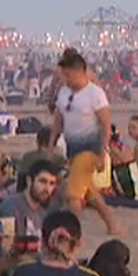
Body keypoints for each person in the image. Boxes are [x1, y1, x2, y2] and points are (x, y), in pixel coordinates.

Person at [50, 49, 123, 236]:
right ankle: (112, 224)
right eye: (63, 75)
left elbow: (106, 123)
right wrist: (52, 142)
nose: (65, 79)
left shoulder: (95, 93)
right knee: (89, 191)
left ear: (80, 72)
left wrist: (103, 151)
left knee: (74, 194)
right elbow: (58, 118)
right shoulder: (64, 92)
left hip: (90, 149)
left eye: (68, 75)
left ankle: (72, 231)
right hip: (72, 149)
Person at [0, 158, 60, 247]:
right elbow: (5, 249)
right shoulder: (11, 206)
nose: (47, 189)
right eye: (43, 181)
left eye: (52, 183)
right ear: (29, 181)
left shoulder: (43, 214)